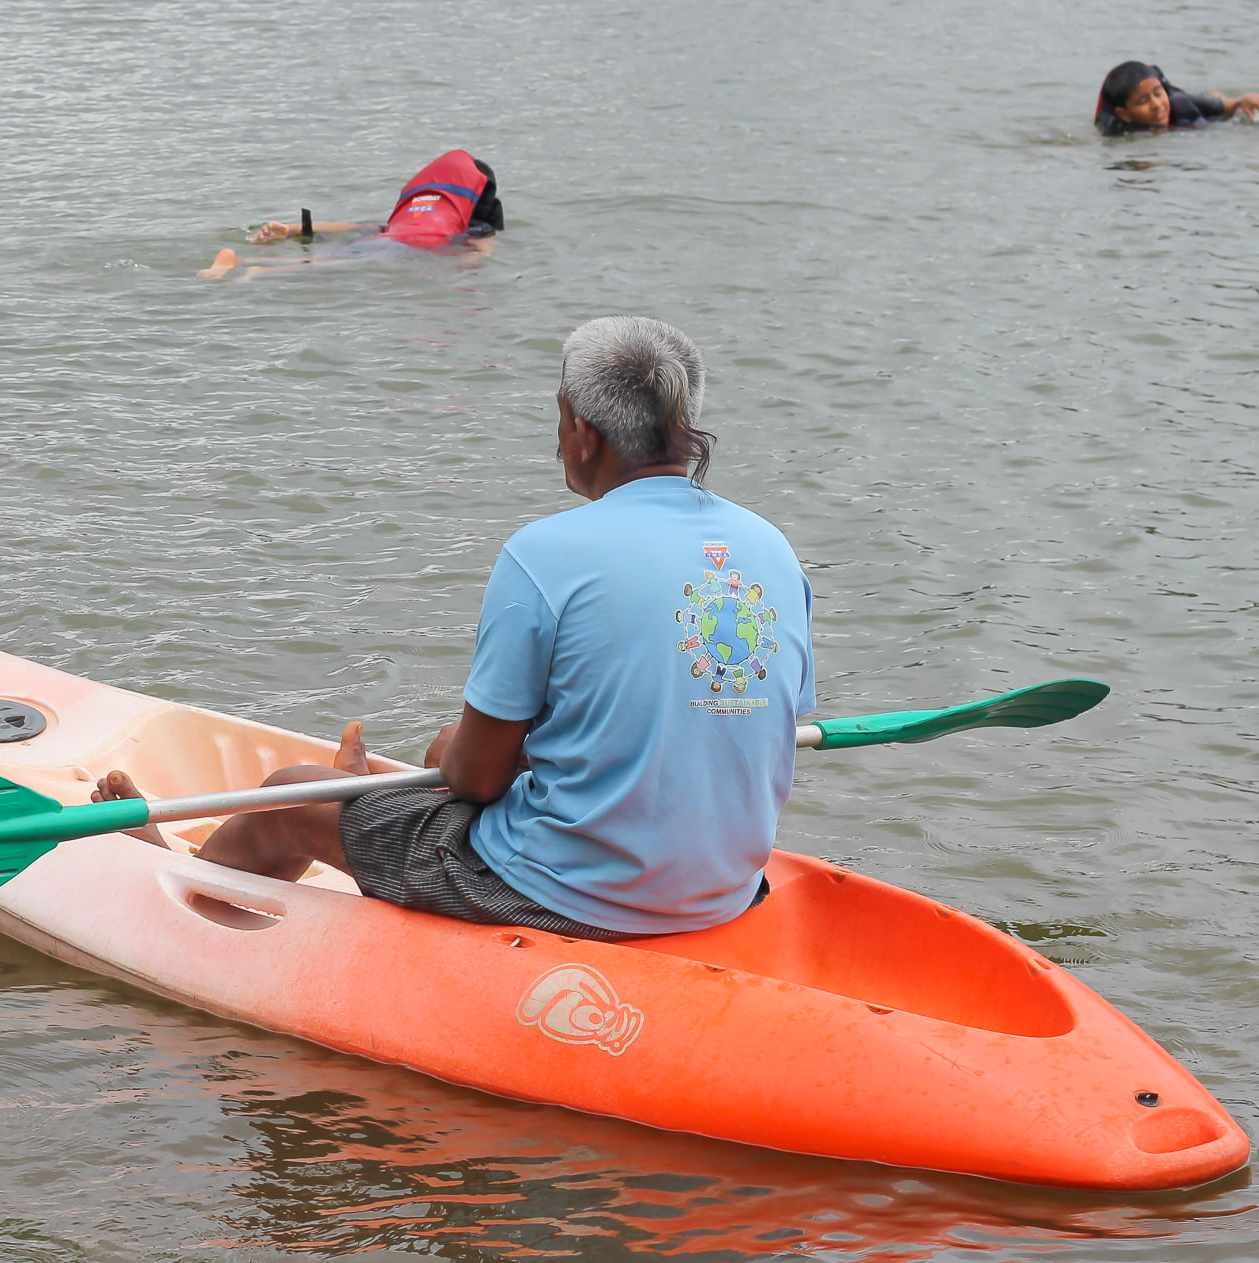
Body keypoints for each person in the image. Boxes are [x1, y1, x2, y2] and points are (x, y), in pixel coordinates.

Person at [96, 317, 815, 939]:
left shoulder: (545, 554)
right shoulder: (772, 551)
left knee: (289, 794)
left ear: (582, 432)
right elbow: (720, 727)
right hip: (722, 890)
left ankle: (173, 886)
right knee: (447, 773)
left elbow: (474, 775)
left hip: (565, 894)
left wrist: (455, 755)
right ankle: (361, 799)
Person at [200, 149, 504, 281]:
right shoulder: (477, 231)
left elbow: (348, 226)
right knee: (334, 264)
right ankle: (256, 269)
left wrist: (291, 229)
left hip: (380, 240)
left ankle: (244, 261)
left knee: (337, 256)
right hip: (395, 249)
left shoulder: (403, 221)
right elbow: (479, 257)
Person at [1095, 61, 1259, 135]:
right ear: (1125, 114)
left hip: (1189, 115)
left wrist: (1244, 101)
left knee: (1214, 103)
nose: (1156, 105)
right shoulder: (1117, 132)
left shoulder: (1181, 103)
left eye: (1158, 94)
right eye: (1143, 101)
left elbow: (1234, 106)